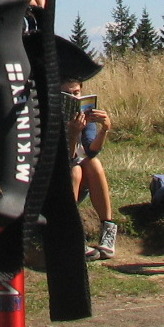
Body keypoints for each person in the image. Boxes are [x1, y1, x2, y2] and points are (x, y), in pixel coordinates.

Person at [64, 83, 116, 259]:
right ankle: (69, 234)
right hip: (57, 182)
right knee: (75, 171)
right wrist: (72, 134)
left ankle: (108, 227)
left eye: (76, 92)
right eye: (67, 94)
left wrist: (105, 129)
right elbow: (66, 159)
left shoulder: (84, 114)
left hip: (78, 181)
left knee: (93, 163)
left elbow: (91, 151)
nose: (74, 97)